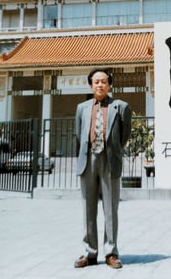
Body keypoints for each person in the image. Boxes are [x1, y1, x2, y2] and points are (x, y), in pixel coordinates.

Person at [74, 68, 131, 269]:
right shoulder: (82, 108)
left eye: (104, 81)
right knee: (88, 208)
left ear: (109, 85)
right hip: (88, 159)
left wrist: (112, 150)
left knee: (110, 209)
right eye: (96, 81)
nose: (100, 85)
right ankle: (90, 253)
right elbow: (78, 134)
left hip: (109, 159)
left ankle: (111, 253)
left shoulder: (121, 107)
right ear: (91, 85)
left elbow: (124, 136)